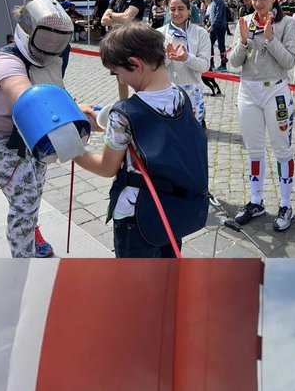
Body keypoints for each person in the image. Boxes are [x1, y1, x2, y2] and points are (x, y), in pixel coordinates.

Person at [74, 24, 207, 258]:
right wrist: (105, 120)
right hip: (172, 209)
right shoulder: (181, 96)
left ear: (135, 64)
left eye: (117, 73)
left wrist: (74, 149)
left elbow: (107, 167)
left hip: (137, 217)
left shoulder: (123, 113)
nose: (120, 80)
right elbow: (156, 128)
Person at [0, 0, 73, 257]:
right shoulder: (4, 61)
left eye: (58, 39)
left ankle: (31, 231)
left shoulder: (58, 57)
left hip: (30, 134)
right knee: (25, 199)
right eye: (46, 37)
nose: (51, 46)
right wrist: (70, 111)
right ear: (27, 31)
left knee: (34, 188)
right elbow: (26, 96)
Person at [229, 0, 295, 231]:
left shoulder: (287, 23)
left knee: (282, 150)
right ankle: (256, 201)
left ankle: (285, 203)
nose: (257, 3)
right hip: (248, 91)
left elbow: (290, 61)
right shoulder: (244, 23)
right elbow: (234, 63)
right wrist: (244, 41)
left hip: (276, 91)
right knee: (254, 150)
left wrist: (270, 39)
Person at [161, 0, 212, 125]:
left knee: (192, 138)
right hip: (166, 93)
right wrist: (168, 57)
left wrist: (187, 58)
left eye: (181, 9)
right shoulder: (158, 34)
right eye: (172, 9)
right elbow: (153, 67)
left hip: (193, 94)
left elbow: (205, 65)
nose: (176, 13)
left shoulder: (201, 33)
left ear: (189, 11)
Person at [102, 0, 146, 100]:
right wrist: (119, 16)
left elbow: (128, 18)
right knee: (120, 78)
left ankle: (145, 103)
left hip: (132, 42)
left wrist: (112, 15)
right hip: (116, 43)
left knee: (136, 77)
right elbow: (103, 21)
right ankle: (124, 104)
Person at [207, 0, 229, 69]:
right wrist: (209, 20)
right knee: (209, 44)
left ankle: (224, 65)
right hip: (214, 26)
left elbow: (218, 15)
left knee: (221, 46)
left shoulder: (219, 0)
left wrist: (212, 26)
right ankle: (211, 63)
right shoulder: (213, 1)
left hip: (219, 27)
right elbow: (213, 14)